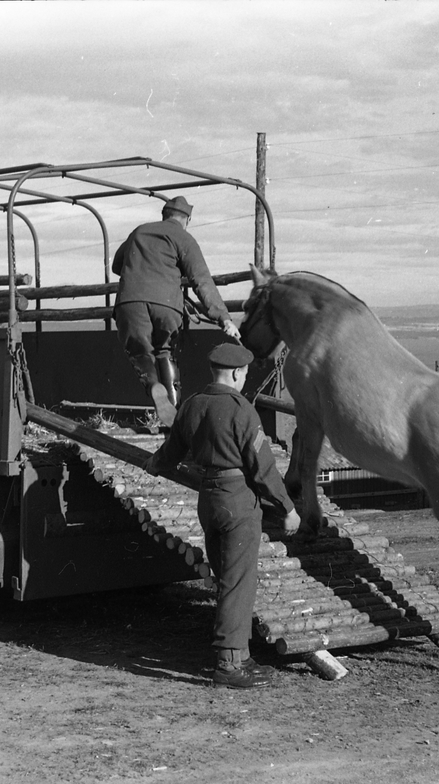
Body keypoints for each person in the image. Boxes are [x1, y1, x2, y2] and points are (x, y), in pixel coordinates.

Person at [143, 342, 300, 689]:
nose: (244, 379)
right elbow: (263, 469)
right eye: (243, 374)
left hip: (208, 501)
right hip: (237, 501)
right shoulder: (241, 410)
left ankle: (240, 654)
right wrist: (286, 508)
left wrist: (154, 463)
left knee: (226, 579)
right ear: (235, 373)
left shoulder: (192, 405)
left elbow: (170, 452)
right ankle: (229, 664)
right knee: (238, 582)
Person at [112, 195, 241, 426]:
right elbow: (201, 280)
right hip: (166, 304)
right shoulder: (184, 237)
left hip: (130, 302)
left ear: (164, 215)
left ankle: (153, 387)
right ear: (187, 219)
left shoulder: (140, 231)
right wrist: (223, 317)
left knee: (140, 352)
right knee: (165, 351)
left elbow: (116, 265)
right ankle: (174, 412)